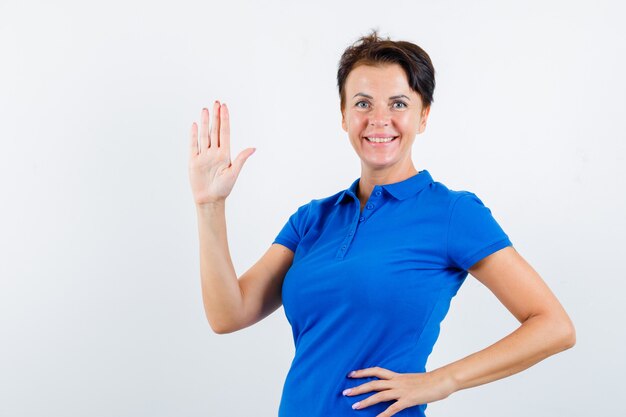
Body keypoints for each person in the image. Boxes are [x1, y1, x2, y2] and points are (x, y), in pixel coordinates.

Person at [187, 30, 576, 417]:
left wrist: (442, 380)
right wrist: (211, 205)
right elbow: (229, 314)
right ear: (343, 115)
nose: (379, 120)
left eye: (398, 103)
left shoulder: (453, 213)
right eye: (362, 103)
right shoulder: (312, 219)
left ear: (423, 116)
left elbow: (553, 326)